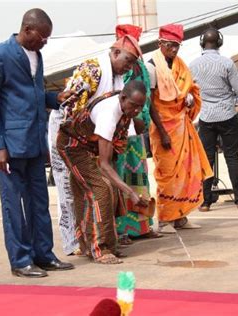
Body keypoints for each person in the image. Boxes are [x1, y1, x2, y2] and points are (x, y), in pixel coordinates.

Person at [0, 8, 74, 278]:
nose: (44, 42)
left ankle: (43, 255)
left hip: (34, 142)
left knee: (39, 202)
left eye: (47, 38)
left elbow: (32, 94)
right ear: (27, 29)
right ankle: (21, 260)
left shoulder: (38, 55)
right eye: (42, 37)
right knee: (14, 206)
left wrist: (55, 98)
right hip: (9, 146)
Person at [47, 33, 141, 256]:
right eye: (127, 60)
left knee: (86, 190)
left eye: (132, 64)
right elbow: (71, 109)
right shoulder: (93, 69)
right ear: (115, 52)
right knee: (87, 190)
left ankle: (88, 242)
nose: (128, 67)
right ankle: (88, 246)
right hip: (71, 134)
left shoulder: (120, 85)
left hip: (90, 137)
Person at [57, 81, 148, 264]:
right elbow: (105, 166)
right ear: (123, 98)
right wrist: (130, 193)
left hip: (89, 146)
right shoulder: (108, 114)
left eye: (141, 107)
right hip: (73, 147)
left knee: (100, 191)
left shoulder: (124, 105)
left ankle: (91, 245)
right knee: (101, 190)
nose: (137, 111)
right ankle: (100, 248)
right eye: (134, 106)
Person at [145, 24, 212, 232]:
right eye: (170, 45)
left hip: (182, 125)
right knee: (166, 174)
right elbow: (151, 103)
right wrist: (163, 133)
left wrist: (190, 99)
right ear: (160, 44)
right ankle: (165, 218)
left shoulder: (181, 65)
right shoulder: (151, 66)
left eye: (177, 46)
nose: (174, 50)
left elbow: (188, 90)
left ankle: (181, 216)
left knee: (186, 172)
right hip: (162, 129)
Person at [190, 28, 238, 213]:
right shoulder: (227, 63)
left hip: (206, 117)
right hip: (227, 115)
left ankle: (205, 202)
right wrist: (230, 97)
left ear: (202, 42)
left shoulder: (193, 64)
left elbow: (189, 90)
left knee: (207, 160)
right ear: (220, 42)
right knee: (232, 157)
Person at [112, 24, 161, 243]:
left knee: (139, 179)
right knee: (121, 179)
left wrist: (152, 126)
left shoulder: (143, 67)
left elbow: (149, 102)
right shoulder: (116, 68)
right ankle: (121, 229)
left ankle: (142, 226)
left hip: (139, 130)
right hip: (120, 130)